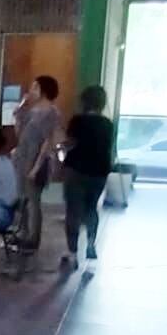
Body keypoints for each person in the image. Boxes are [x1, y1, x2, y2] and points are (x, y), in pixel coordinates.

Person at [62, 85, 114, 268]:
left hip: (76, 170)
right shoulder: (108, 124)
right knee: (92, 208)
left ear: (84, 101)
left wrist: (60, 147)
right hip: (99, 172)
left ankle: (72, 252)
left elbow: (70, 143)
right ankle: (91, 243)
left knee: (73, 211)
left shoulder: (77, 121)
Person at [12, 74, 63, 251]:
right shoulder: (31, 111)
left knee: (33, 200)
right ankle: (22, 233)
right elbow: (19, 133)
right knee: (22, 198)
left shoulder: (51, 112)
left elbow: (47, 141)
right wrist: (21, 109)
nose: (31, 90)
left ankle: (34, 238)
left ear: (43, 90)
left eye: (35, 87)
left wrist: (36, 167)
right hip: (23, 157)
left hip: (38, 160)